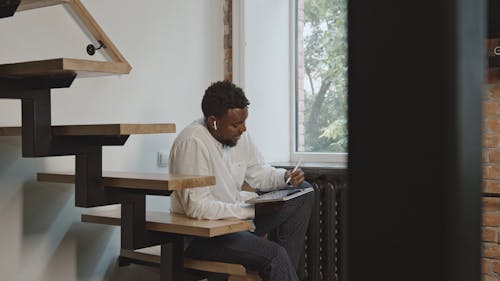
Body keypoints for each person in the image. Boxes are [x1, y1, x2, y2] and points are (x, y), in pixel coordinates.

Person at [169, 80, 314, 281]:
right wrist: (250, 211)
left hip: (235, 222)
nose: (243, 129)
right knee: (274, 256)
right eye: (236, 124)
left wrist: (285, 177)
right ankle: (279, 267)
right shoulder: (192, 142)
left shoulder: (238, 136)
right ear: (213, 121)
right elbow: (197, 208)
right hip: (204, 237)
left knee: (303, 191)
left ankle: (281, 272)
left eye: (244, 122)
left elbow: (259, 172)